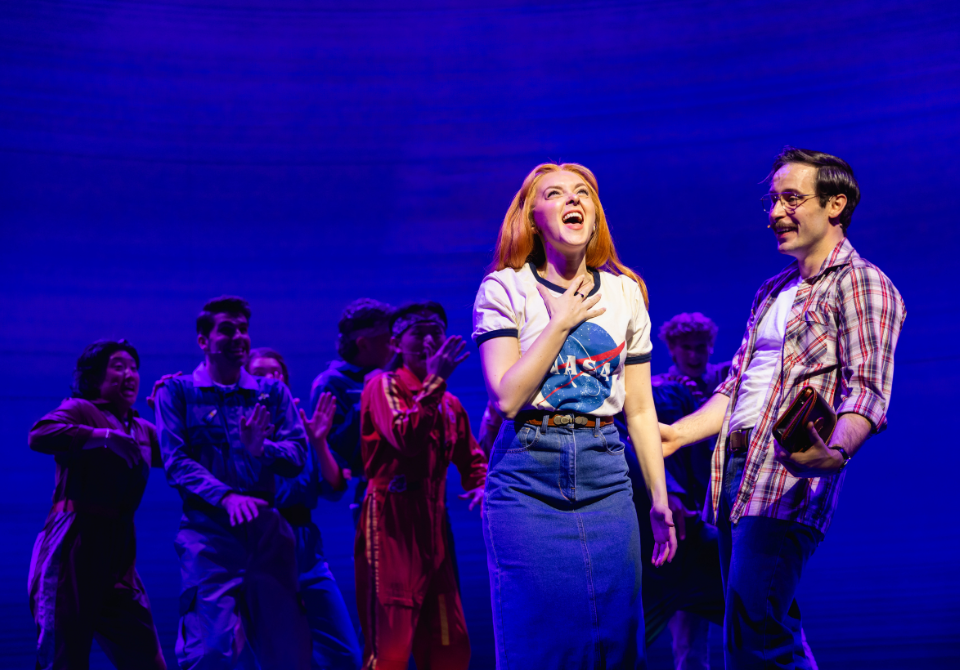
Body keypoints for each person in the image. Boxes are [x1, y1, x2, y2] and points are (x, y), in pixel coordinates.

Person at [660, 147, 906, 669]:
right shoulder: (772, 290)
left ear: (835, 204)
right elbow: (736, 389)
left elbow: (868, 390)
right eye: (773, 200)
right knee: (749, 628)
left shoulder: (861, 283)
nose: (774, 213)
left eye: (791, 199)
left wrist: (833, 451)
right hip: (731, 473)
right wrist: (677, 434)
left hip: (786, 476)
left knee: (758, 635)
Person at [473, 162, 677, 668]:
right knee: (538, 634)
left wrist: (659, 499)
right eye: (555, 193)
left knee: (616, 632)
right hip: (527, 471)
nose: (573, 200)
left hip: (605, 469)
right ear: (534, 216)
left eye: (583, 192)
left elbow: (641, 406)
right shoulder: (505, 288)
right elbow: (507, 398)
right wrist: (560, 322)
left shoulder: (626, 292)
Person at [153, 296, 311, 669]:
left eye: (243, 329)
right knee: (211, 651)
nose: (239, 336)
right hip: (209, 534)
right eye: (227, 328)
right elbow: (175, 460)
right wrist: (225, 497)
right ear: (203, 340)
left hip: (267, 532)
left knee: (287, 651)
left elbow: (297, 453)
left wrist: (263, 450)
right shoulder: (176, 392)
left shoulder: (271, 393)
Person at [355, 301, 487, 670]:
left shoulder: (450, 404)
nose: (430, 340)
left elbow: (472, 459)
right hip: (391, 525)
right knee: (391, 649)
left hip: (434, 529)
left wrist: (482, 485)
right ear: (397, 342)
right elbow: (405, 437)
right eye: (419, 332)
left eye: (437, 332)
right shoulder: (381, 386)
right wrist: (435, 381)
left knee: (451, 645)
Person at [27, 339, 167, 670]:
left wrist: (168, 408)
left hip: (118, 551)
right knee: (64, 657)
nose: (129, 374)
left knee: (146, 658)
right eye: (118, 366)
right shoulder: (80, 409)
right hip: (73, 543)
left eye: (134, 367)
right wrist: (101, 437)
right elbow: (40, 434)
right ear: (95, 377)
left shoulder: (141, 428)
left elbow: (181, 455)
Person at [247, 348, 363, 670]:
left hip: (307, 548)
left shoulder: (300, 427)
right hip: (263, 543)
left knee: (345, 655)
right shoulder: (239, 428)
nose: (269, 379)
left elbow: (333, 487)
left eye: (276, 373)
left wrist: (320, 442)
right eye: (259, 373)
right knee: (280, 655)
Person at [308, 298, 395, 525]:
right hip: (375, 496)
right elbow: (335, 454)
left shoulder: (400, 375)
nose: (395, 346)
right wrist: (369, 397)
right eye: (387, 340)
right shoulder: (331, 384)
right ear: (363, 344)